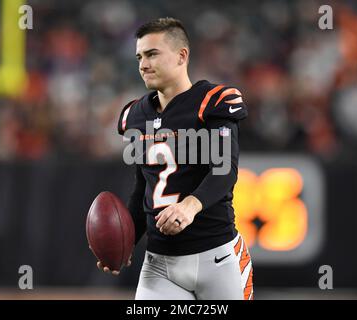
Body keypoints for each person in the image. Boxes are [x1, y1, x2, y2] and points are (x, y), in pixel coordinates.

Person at [97, 17, 253, 300]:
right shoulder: (135, 115)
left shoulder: (213, 101)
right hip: (159, 265)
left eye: (152, 54)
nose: (143, 64)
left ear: (182, 56)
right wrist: (125, 241)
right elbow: (143, 188)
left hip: (216, 258)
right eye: (139, 56)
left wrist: (189, 206)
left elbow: (224, 170)